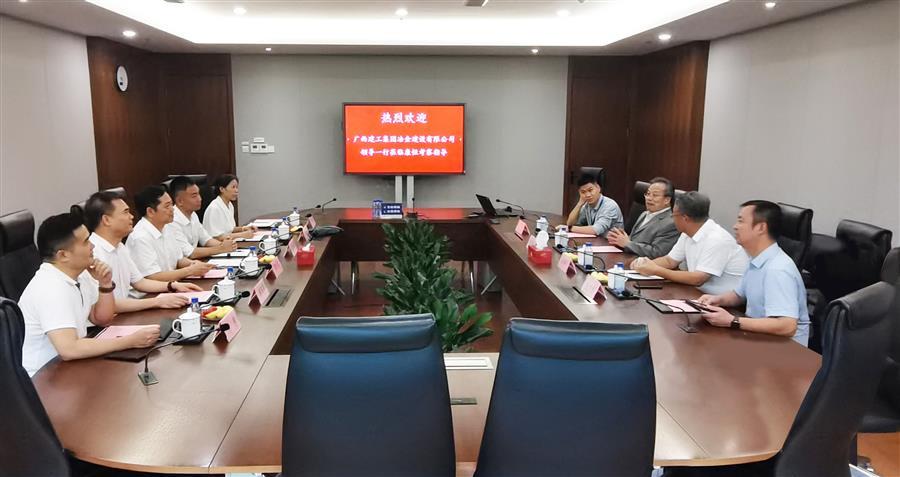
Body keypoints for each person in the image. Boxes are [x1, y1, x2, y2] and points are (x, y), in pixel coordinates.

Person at [19, 213, 159, 377]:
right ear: (63, 255)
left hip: (68, 366)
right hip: (42, 378)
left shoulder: (80, 274)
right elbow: (69, 349)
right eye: (86, 242)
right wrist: (130, 341)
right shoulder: (50, 287)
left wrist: (105, 284)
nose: (92, 246)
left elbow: (100, 318)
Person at [695, 200, 811, 346]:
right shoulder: (756, 259)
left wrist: (732, 321)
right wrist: (717, 299)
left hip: (785, 348)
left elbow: (787, 326)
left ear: (761, 228)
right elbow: (739, 295)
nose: (735, 226)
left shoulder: (778, 269)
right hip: (759, 337)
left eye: (741, 221)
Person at [82, 191, 203, 313]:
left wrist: (172, 286)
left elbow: (139, 282)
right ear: (106, 220)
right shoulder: (92, 254)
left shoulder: (119, 247)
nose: (131, 216)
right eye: (125, 212)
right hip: (109, 319)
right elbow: (104, 304)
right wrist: (158, 302)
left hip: (124, 314)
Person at [632, 191, 749, 295]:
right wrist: (643, 265)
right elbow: (670, 261)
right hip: (699, 294)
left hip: (724, 303)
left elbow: (698, 278)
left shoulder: (717, 239)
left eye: (673, 215)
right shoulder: (687, 233)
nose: (672, 219)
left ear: (685, 218)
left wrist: (656, 270)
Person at [127, 185, 215, 282]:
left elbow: (178, 260)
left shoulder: (167, 227)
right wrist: (190, 270)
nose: (172, 209)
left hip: (172, 284)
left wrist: (194, 264)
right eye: (167, 206)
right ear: (150, 211)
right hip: (153, 290)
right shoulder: (140, 237)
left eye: (171, 204)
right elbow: (153, 277)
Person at [607, 177, 680, 258]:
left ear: (667, 200)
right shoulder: (644, 214)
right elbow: (633, 240)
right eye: (648, 194)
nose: (649, 198)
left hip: (646, 263)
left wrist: (627, 244)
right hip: (629, 257)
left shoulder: (672, 223)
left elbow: (658, 252)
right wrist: (619, 237)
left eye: (655, 195)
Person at [167, 176, 238, 259]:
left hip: (194, 262)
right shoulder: (172, 220)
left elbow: (207, 240)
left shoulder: (193, 215)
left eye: (199, 194)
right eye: (194, 196)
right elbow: (190, 253)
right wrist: (221, 248)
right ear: (180, 201)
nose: (200, 199)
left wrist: (226, 245)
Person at [203, 174, 255, 239]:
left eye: (237, 187)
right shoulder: (214, 208)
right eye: (233, 187)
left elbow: (229, 229)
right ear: (222, 189)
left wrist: (243, 228)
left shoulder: (229, 205)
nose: (236, 190)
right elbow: (216, 237)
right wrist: (241, 235)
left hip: (229, 242)